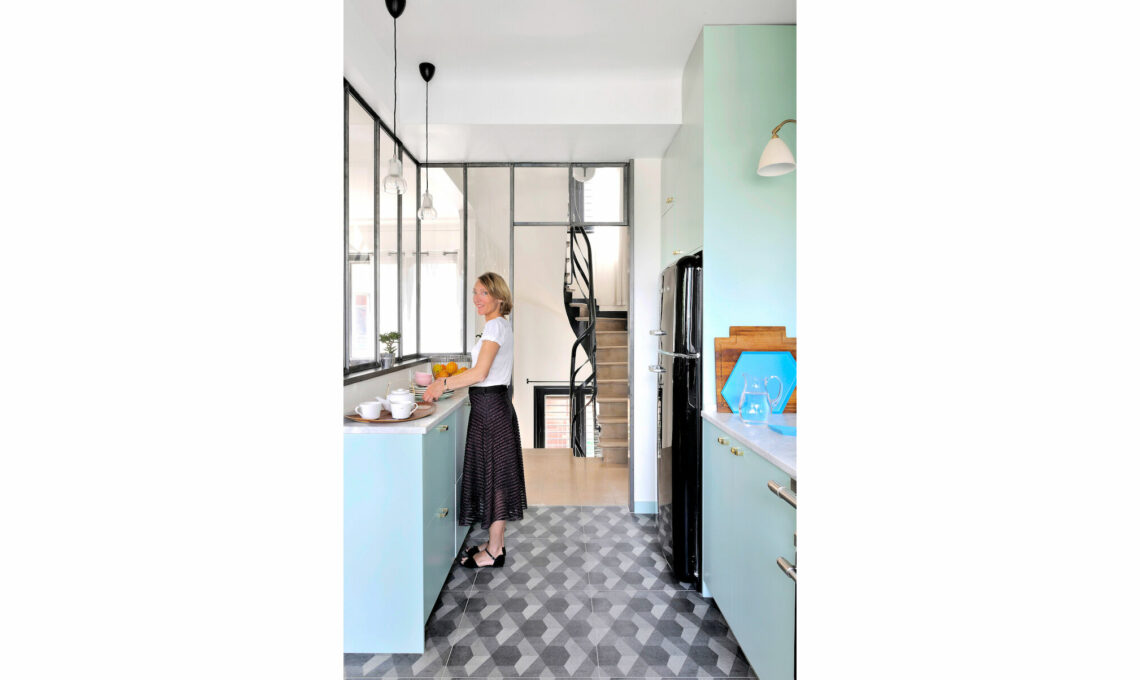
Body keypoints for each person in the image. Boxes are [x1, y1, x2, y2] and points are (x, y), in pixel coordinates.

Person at [423, 271, 526, 568]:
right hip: (492, 406)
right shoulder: (499, 326)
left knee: (495, 478)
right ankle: (496, 543)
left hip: (490, 408)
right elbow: (483, 371)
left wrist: (441, 384)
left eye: (484, 293)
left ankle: (493, 552)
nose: (477, 298)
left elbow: (480, 373)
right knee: (496, 475)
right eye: (475, 292)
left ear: (499, 297)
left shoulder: (494, 327)